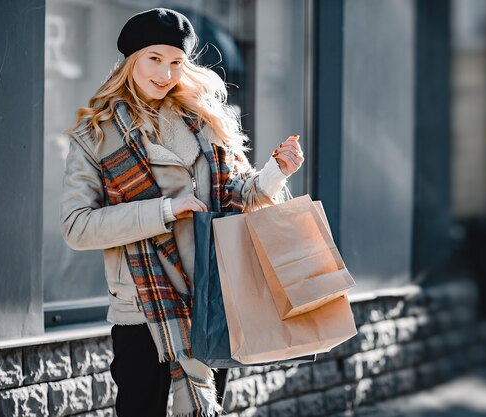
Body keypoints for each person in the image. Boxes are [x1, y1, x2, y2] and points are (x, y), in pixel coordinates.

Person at [60, 8, 304, 417]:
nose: (166, 73)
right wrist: (165, 211)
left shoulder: (205, 121)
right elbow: (76, 227)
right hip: (144, 308)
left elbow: (240, 196)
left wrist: (278, 171)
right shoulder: (97, 136)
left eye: (175, 61)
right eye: (154, 58)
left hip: (213, 300)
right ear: (131, 60)